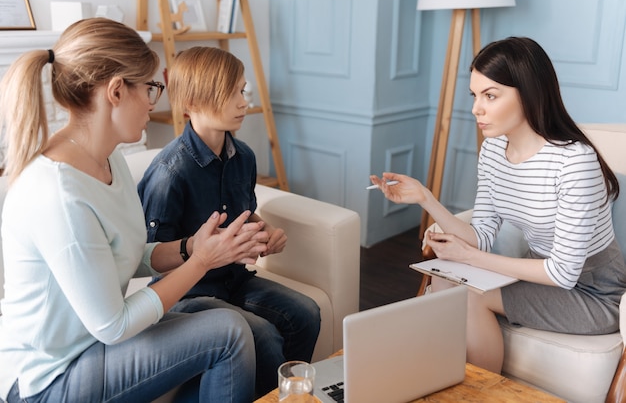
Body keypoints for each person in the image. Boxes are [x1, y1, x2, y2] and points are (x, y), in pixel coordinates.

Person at [0, 18, 271, 403]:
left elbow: (124, 253)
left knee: (231, 329)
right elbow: (114, 325)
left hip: (92, 346)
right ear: (115, 91)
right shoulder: (59, 194)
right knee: (228, 331)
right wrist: (202, 263)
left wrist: (190, 248)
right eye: (150, 88)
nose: (154, 101)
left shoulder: (111, 161)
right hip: (50, 378)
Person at [370, 36, 625, 374]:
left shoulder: (574, 162)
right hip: (536, 270)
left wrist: (470, 258)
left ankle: (480, 393)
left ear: (529, 93)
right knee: (444, 280)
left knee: (470, 294)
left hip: (593, 290)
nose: (477, 108)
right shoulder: (493, 151)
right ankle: (431, 380)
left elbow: (563, 273)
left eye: (490, 96)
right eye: (475, 95)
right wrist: (426, 198)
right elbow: (483, 235)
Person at [137, 46, 321, 396]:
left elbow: (244, 212)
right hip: (187, 293)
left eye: (242, 90)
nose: (243, 102)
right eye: (232, 93)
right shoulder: (169, 173)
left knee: (306, 313)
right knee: (263, 335)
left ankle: (287, 395)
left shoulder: (244, 156)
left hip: (234, 280)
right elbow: (149, 256)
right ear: (191, 102)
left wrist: (263, 231)